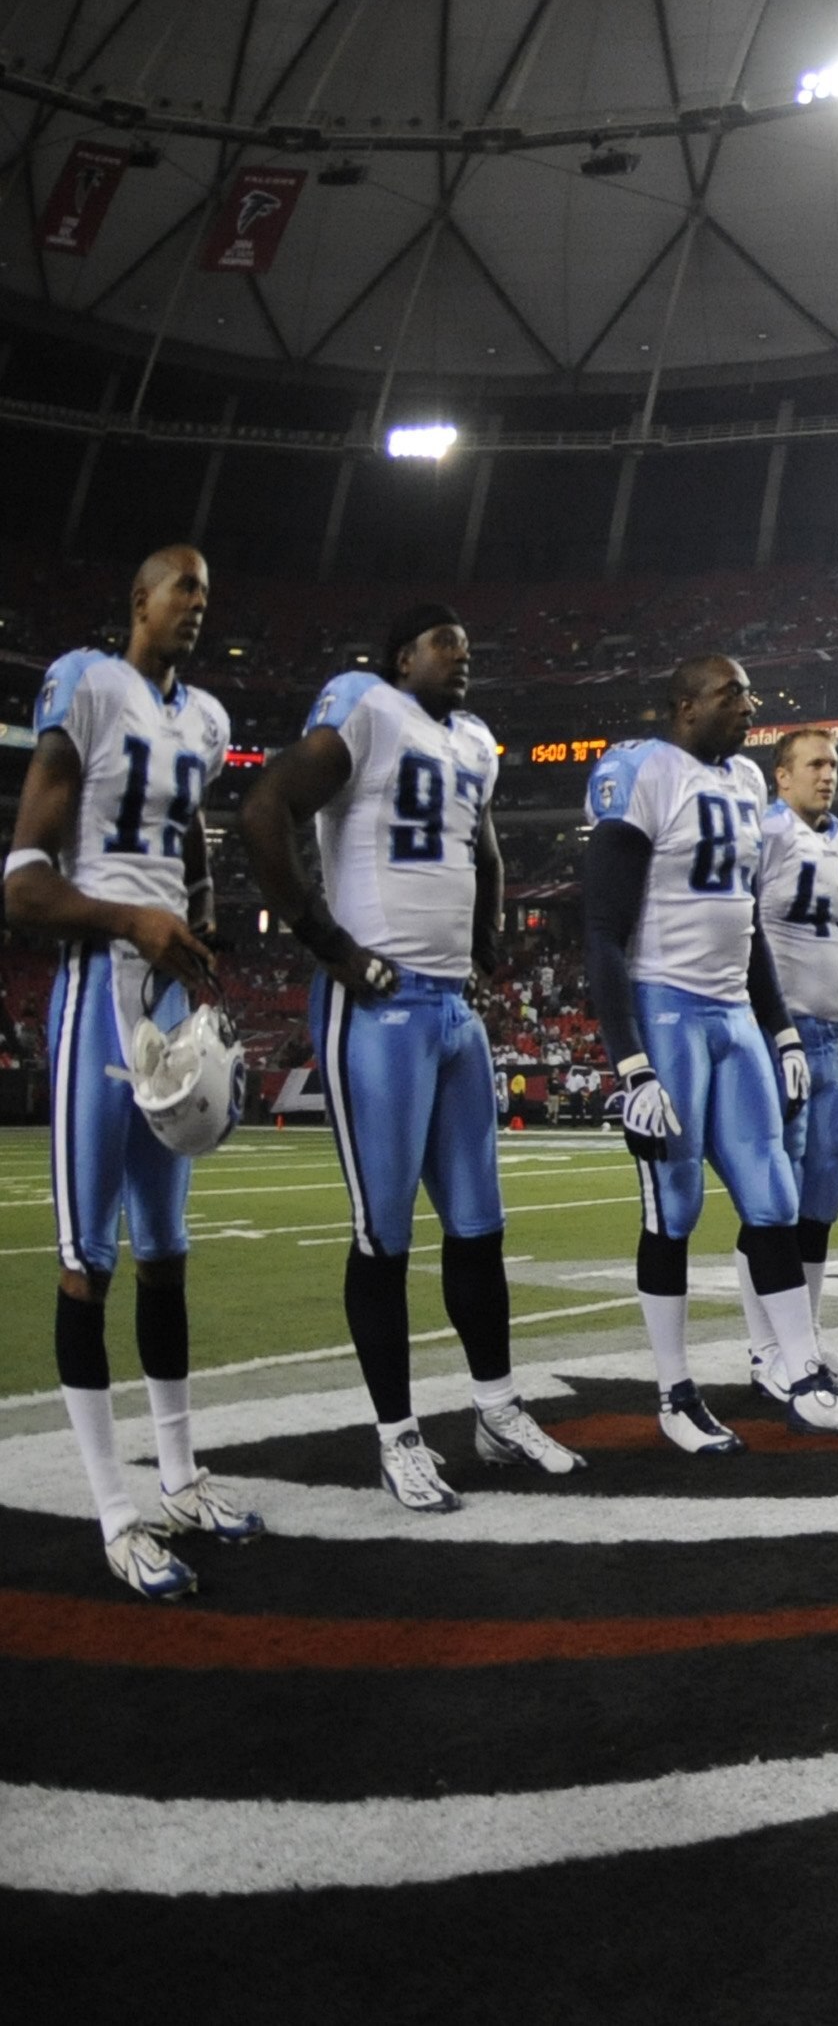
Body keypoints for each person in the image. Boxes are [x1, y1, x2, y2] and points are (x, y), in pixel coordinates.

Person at [239, 601, 581, 1510]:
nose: (462, 657)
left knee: (480, 1228)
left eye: (468, 646)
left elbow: (486, 846)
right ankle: (396, 1437)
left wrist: (488, 938)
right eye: (444, 645)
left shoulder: (473, 738)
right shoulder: (366, 705)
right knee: (381, 1235)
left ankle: (497, 1411)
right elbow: (266, 805)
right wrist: (331, 945)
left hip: (451, 1012)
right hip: (377, 1008)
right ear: (400, 657)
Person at [5, 546, 262, 1597]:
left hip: (162, 987)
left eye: (209, 587)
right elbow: (21, 882)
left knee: (166, 1251)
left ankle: (179, 1473)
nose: (200, 602)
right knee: (88, 1260)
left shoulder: (205, 719)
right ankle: (114, 1511)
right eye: (182, 586)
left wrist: (192, 925)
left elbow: (189, 840)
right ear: (137, 598)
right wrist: (134, 919)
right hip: (98, 989)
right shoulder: (88, 683)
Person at [582, 654, 838, 1451]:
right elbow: (601, 931)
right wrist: (631, 1064)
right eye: (734, 693)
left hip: (734, 1012)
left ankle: (802, 1377)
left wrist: (783, 1029)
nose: (749, 705)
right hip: (666, 1010)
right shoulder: (642, 771)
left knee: (771, 1198)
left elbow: (747, 923)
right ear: (685, 703)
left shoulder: (743, 786)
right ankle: (674, 1393)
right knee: (676, 1208)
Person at [738, 727, 838, 1392]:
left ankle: (808, 1342)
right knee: (772, 1196)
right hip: (776, 1033)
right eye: (814, 764)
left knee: (822, 1196)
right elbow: (738, 931)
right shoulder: (761, 832)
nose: (827, 775)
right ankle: (766, 1349)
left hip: (827, 1037)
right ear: (782, 776)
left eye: (834, 764)